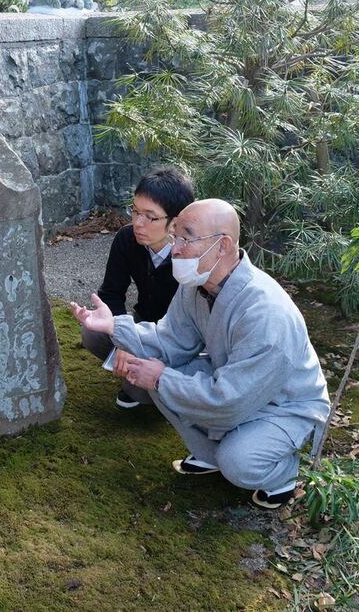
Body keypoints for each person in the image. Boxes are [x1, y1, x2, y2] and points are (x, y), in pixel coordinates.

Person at [72, 199, 330, 509]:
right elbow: (170, 342)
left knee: (238, 461)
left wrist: (160, 378)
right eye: (175, 236)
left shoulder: (265, 312)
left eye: (186, 238)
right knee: (159, 373)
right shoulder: (196, 285)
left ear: (222, 246)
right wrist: (115, 326)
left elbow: (230, 401)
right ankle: (212, 454)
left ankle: (284, 473)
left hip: (285, 404)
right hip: (236, 385)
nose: (175, 248)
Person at [81, 167, 194, 409]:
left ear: (174, 223)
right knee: (92, 331)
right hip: (142, 325)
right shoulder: (126, 239)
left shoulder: (190, 255)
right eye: (135, 211)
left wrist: (132, 345)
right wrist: (125, 341)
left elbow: (189, 331)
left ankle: (159, 390)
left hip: (176, 340)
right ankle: (138, 375)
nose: (138, 223)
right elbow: (111, 293)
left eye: (150, 217)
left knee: (139, 389)